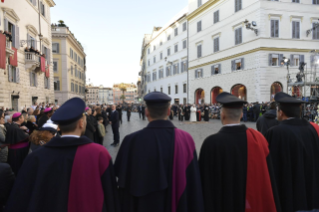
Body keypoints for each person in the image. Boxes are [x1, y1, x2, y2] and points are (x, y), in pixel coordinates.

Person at [5, 98, 120, 212]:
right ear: (81, 123)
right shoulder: (99, 154)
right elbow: (110, 195)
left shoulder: (35, 157)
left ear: (59, 127)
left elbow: (20, 197)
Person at [114, 92, 204, 212]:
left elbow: (122, 178)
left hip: (141, 205)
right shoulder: (185, 140)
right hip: (175, 203)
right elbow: (193, 180)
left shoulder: (131, 141)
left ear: (146, 113)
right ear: (168, 112)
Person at [199, 92, 280, 212]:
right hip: (251, 204)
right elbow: (268, 177)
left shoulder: (210, 144)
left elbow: (204, 184)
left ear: (222, 115)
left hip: (221, 203)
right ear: (242, 114)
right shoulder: (258, 139)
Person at [266, 92, 319, 212]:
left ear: (281, 112)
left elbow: (272, 166)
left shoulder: (276, 132)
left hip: (287, 194)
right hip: (311, 193)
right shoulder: (311, 129)